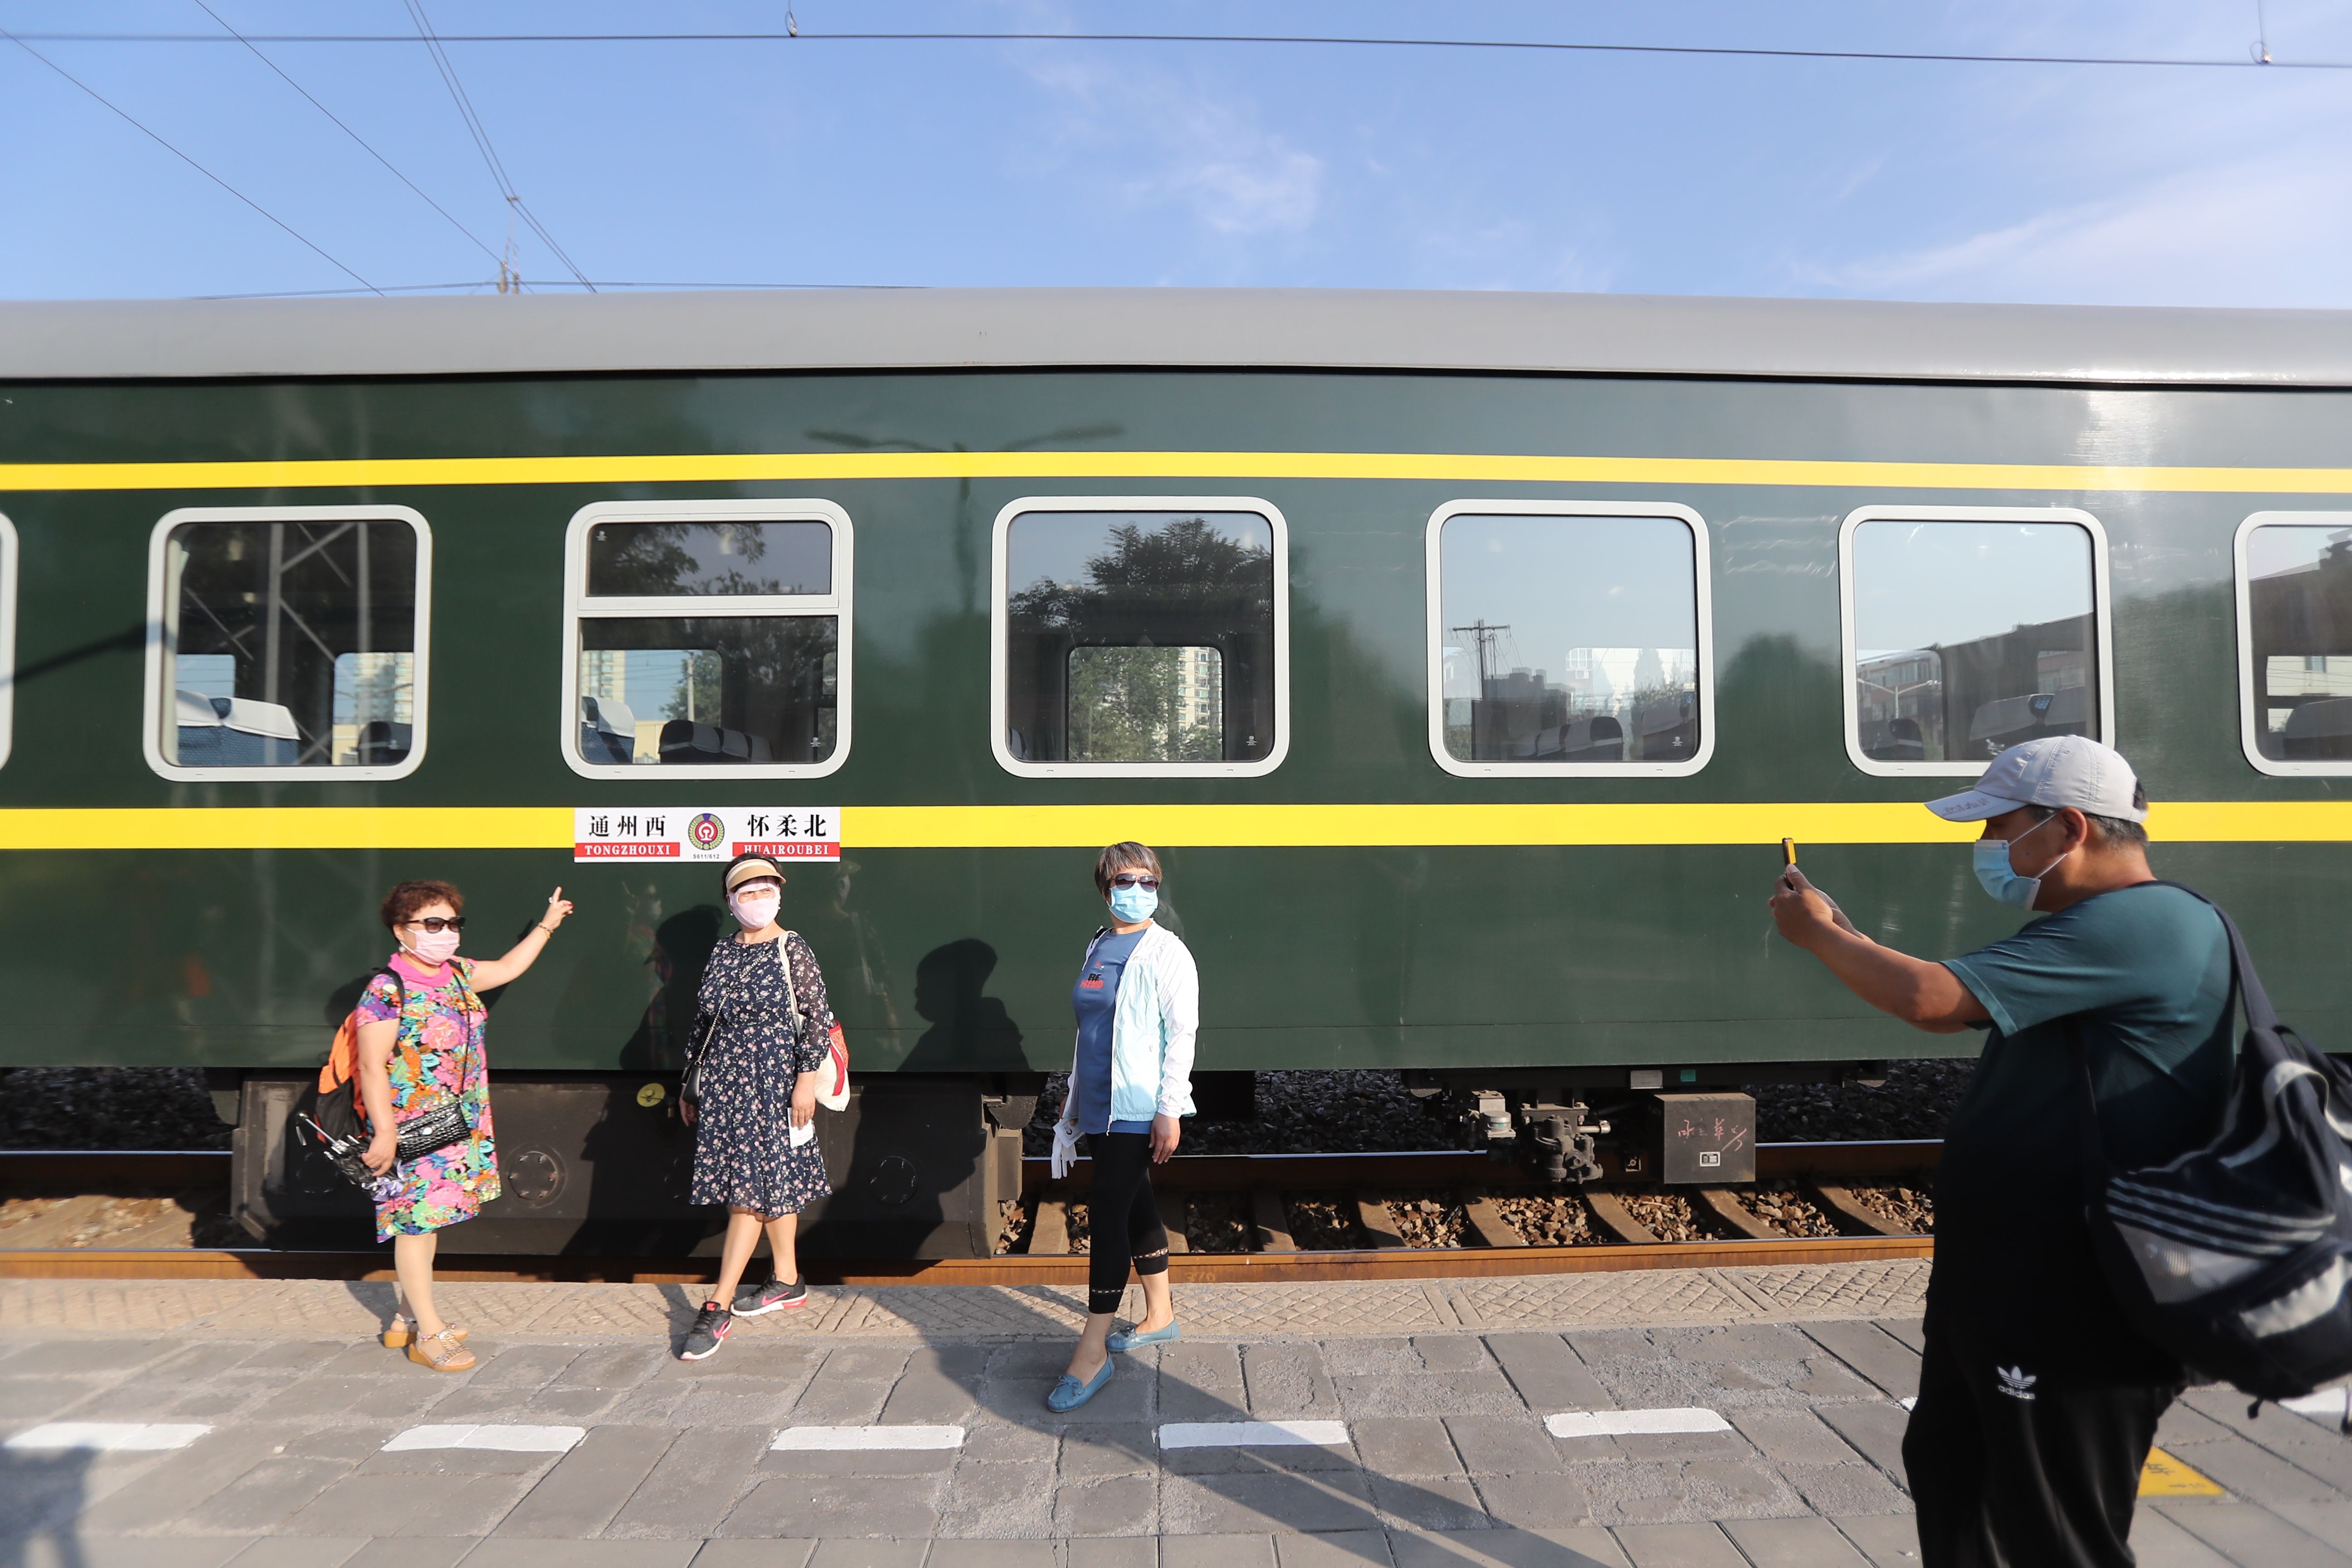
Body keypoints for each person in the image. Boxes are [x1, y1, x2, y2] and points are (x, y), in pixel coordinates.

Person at [1768, 736, 2231, 1568]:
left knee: (2055, 1521)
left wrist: (1819, 940)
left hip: (2078, 1287)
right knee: (1952, 1467)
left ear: (2070, 829)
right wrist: (1844, 932)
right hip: (2012, 1275)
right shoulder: (2088, 928)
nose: (1988, 848)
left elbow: (1932, 1001)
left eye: (2000, 828)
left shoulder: (2141, 922)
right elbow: (1944, 986)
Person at [358, 878, 574, 1372]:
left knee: (430, 1223)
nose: (446, 933)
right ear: (401, 930)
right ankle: (428, 1334)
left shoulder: (456, 974)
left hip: (456, 1122)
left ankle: (403, 1320)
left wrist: (547, 923)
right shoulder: (387, 989)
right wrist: (385, 1131)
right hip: (412, 1126)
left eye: (452, 923)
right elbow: (372, 1065)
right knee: (415, 1225)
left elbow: (509, 967)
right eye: (432, 924)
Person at [1045, 841, 1199, 1413]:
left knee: (1108, 1217)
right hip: (1097, 1106)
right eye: (1125, 880)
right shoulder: (1100, 944)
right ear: (1105, 888)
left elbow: (1181, 1035)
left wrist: (1169, 1108)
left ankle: (1092, 1352)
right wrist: (1070, 1111)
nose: (1137, 890)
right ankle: (1160, 1314)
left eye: (1147, 880)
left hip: (1136, 1108)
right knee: (1134, 1205)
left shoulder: (1168, 953)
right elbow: (1089, 1034)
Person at [678, 854, 837, 1360]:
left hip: (775, 1083)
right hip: (727, 1086)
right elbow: (704, 1023)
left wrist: (804, 1082)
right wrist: (689, 1084)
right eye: (748, 891)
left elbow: (816, 1018)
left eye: (767, 887)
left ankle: (718, 1305)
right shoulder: (723, 952)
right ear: (731, 901)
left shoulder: (794, 949)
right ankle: (787, 1279)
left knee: (748, 1195)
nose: (759, 897)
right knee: (770, 1183)